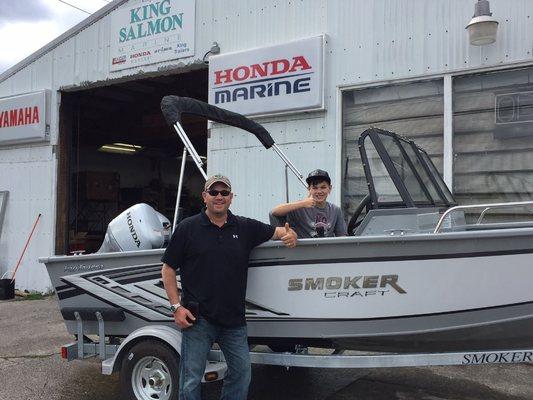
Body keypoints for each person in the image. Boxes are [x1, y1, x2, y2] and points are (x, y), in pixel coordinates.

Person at [161, 174, 297, 400]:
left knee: (242, 373)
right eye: (213, 192)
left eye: (224, 193)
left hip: (233, 321)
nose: (219, 197)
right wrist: (176, 307)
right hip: (197, 319)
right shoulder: (188, 228)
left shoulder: (244, 227)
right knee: (190, 379)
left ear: (231, 198)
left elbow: (281, 231)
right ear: (204, 196)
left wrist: (291, 235)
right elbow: (167, 269)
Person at [270, 169, 347, 238]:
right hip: (303, 252)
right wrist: (302, 203)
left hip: (326, 252)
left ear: (329, 189)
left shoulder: (336, 210)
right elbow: (274, 212)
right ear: (309, 189)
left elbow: (342, 236)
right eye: (315, 188)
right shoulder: (299, 207)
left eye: (323, 187)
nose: (319, 191)